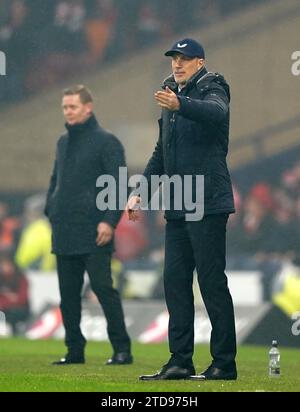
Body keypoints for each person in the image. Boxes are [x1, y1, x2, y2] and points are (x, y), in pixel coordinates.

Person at [127, 39, 237, 380]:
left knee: (210, 281)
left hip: (206, 201)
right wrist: (140, 191)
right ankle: (179, 360)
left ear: (200, 62)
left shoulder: (213, 87)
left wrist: (180, 103)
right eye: (175, 58)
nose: (178, 64)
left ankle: (224, 363)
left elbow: (216, 113)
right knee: (174, 281)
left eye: (185, 59)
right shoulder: (170, 95)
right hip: (177, 203)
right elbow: (163, 151)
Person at [45, 85, 132, 365]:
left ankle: (122, 349)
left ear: (88, 107)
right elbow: (55, 180)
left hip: (95, 232)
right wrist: (52, 209)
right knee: (68, 297)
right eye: (65, 107)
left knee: (103, 290)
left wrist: (109, 221)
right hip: (65, 230)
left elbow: (118, 185)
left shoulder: (107, 142)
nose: (67, 112)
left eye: (72, 107)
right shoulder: (62, 142)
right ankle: (74, 351)